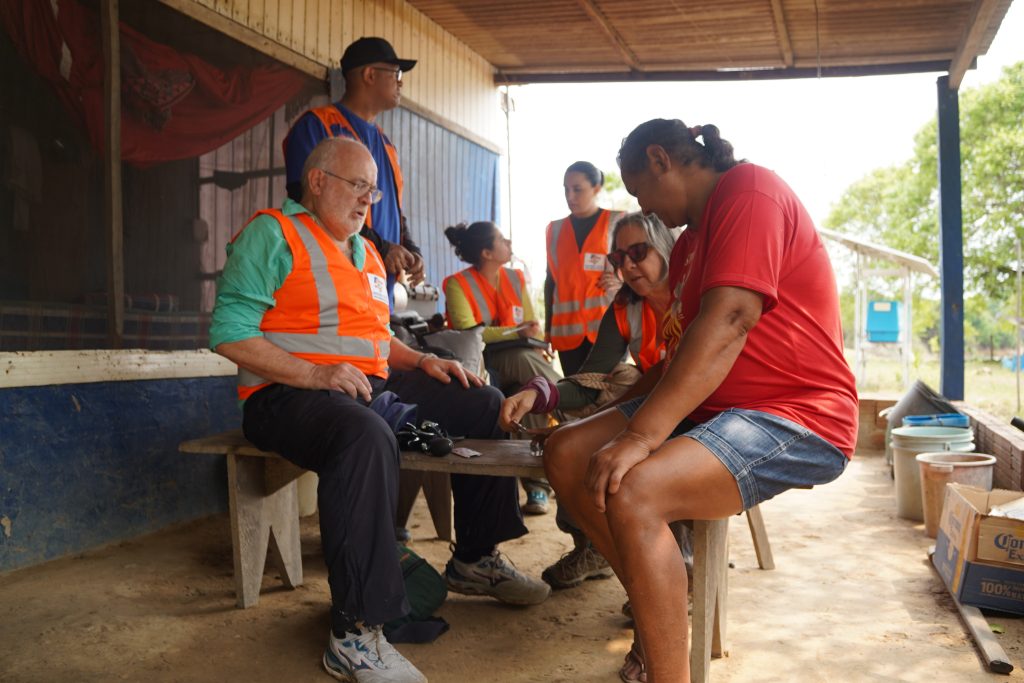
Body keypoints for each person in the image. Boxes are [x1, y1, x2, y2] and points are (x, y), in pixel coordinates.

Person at [211, 137, 549, 683]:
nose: (369, 199)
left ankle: (475, 560)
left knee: (482, 401)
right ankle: (354, 634)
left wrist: (421, 360)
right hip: (284, 395)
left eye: (374, 189)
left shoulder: (365, 249)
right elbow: (228, 333)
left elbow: (374, 337)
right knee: (365, 436)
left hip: (363, 385)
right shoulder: (273, 233)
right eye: (358, 186)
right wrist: (315, 374)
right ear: (317, 181)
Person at [541, 119, 858, 683]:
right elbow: (677, 359)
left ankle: (667, 663)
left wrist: (639, 437)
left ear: (661, 159)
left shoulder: (750, 191)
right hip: (714, 408)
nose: (647, 209)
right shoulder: (689, 242)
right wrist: (601, 416)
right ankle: (656, 589)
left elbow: (733, 318)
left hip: (796, 413)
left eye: (640, 192)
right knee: (566, 452)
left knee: (635, 489)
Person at [502, 212, 692, 591]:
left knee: (645, 455)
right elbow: (591, 382)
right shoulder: (625, 308)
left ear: (668, 247)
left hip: (696, 408)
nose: (628, 265)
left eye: (638, 252)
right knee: (571, 440)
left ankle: (680, 562)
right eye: (619, 259)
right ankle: (594, 545)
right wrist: (536, 393)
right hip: (654, 405)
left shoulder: (695, 294)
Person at [284, 36, 424, 306]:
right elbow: (307, 204)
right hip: (334, 285)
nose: (401, 81)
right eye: (396, 73)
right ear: (370, 75)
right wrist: (382, 247)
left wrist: (409, 249)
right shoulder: (317, 126)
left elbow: (395, 213)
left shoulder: (387, 145)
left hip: (379, 287)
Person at [442, 221, 562, 514]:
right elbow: (468, 330)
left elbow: (531, 325)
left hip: (521, 354)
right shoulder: (457, 284)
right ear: (486, 252)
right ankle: (577, 406)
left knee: (529, 390)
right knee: (533, 376)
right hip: (484, 359)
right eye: (500, 240)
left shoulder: (515, 277)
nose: (508, 242)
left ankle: (537, 487)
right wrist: (512, 331)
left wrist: (527, 331)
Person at [544, 161, 623, 377]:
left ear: (596, 189)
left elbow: (639, 268)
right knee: (576, 398)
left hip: (609, 329)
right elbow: (551, 281)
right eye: (566, 189)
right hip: (567, 332)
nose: (570, 196)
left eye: (577, 189)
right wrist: (548, 329)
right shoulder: (554, 230)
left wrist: (622, 283)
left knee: (607, 397)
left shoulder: (618, 222)